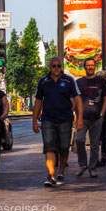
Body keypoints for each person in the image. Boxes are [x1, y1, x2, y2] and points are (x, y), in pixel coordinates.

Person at [33, 57, 83, 187]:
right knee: (49, 147)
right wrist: (34, 121)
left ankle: (60, 172)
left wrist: (80, 119)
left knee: (64, 147)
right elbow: (38, 101)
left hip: (65, 119)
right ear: (49, 67)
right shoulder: (43, 81)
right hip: (48, 119)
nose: (56, 68)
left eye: (59, 66)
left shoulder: (69, 80)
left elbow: (77, 100)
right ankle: (51, 175)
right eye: (54, 66)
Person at [75, 58, 106, 178]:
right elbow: (75, 99)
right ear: (84, 67)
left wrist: (102, 113)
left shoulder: (101, 81)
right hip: (82, 118)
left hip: (97, 118)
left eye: (92, 65)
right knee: (79, 140)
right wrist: (76, 114)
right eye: (88, 65)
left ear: (95, 66)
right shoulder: (79, 82)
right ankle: (83, 164)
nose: (90, 67)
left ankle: (92, 168)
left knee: (95, 145)